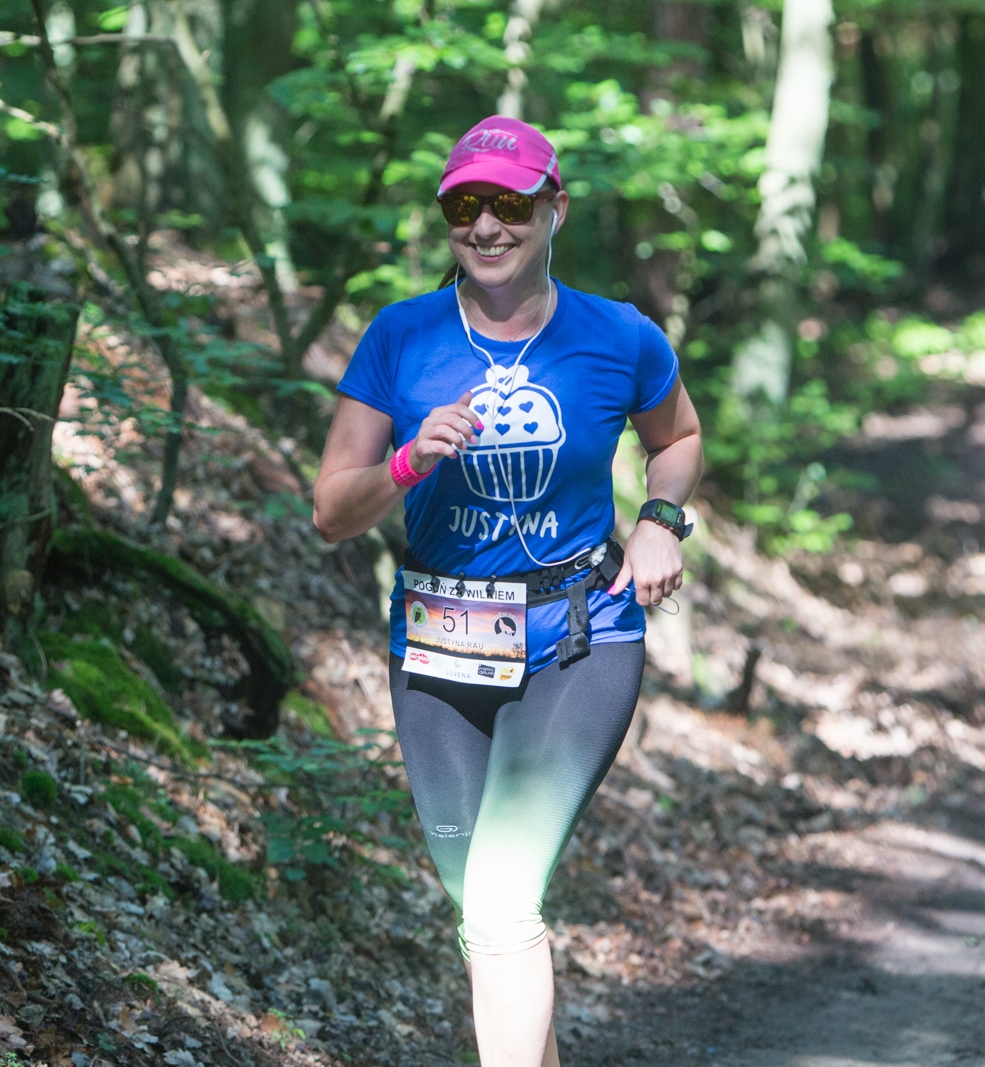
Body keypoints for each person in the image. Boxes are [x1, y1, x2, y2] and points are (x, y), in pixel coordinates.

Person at [312, 116, 703, 1065]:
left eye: (510, 203)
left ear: (554, 207)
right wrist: (407, 461)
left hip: (579, 634)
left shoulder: (618, 335)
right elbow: (331, 511)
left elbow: (678, 438)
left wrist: (659, 520)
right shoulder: (401, 337)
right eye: (464, 206)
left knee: (498, 894)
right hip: (439, 643)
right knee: (486, 906)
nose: (487, 225)